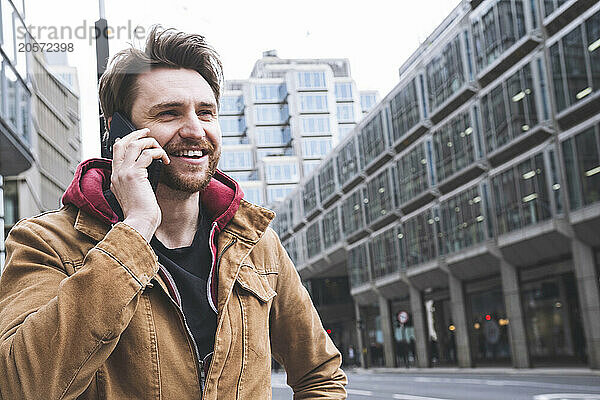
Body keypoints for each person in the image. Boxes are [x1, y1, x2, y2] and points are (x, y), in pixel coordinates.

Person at [0, 26, 347, 400]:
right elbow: (20, 386)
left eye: (206, 112)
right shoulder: (45, 242)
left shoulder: (256, 242)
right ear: (119, 132)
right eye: (169, 113)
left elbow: (320, 375)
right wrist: (134, 230)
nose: (196, 130)